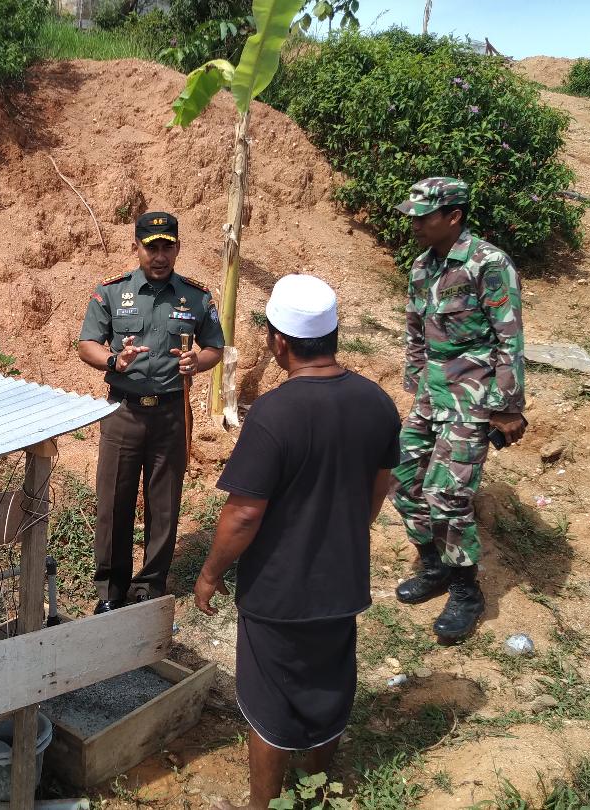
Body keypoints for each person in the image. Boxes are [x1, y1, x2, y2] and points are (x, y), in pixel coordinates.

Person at [194, 274, 400, 809]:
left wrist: (210, 573)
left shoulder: (274, 414)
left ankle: (263, 805)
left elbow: (244, 514)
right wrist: (347, 533)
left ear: (279, 341)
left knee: (271, 706)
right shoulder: (377, 402)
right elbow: (380, 485)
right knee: (328, 690)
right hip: (343, 583)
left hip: (279, 593)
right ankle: (316, 792)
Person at [391, 177, 526, 642]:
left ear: (454, 216)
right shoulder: (422, 266)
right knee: (401, 477)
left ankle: (467, 590)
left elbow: (509, 339)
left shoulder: (488, 264)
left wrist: (507, 408)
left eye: (423, 216)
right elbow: (415, 331)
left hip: (474, 399)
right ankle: (436, 566)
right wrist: (415, 384)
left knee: (447, 494)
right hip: (431, 395)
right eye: (412, 216)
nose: (414, 224)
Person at [78, 211, 225, 614]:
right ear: (136, 248)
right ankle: (111, 591)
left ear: (178, 248)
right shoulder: (112, 292)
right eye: (151, 247)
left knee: (163, 503)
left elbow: (215, 347)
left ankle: (150, 586)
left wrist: (197, 362)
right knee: (114, 502)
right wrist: (114, 360)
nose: (160, 255)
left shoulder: (196, 297)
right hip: (123, 413)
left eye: (167, 247)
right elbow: (87, 344)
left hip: (171, 415)